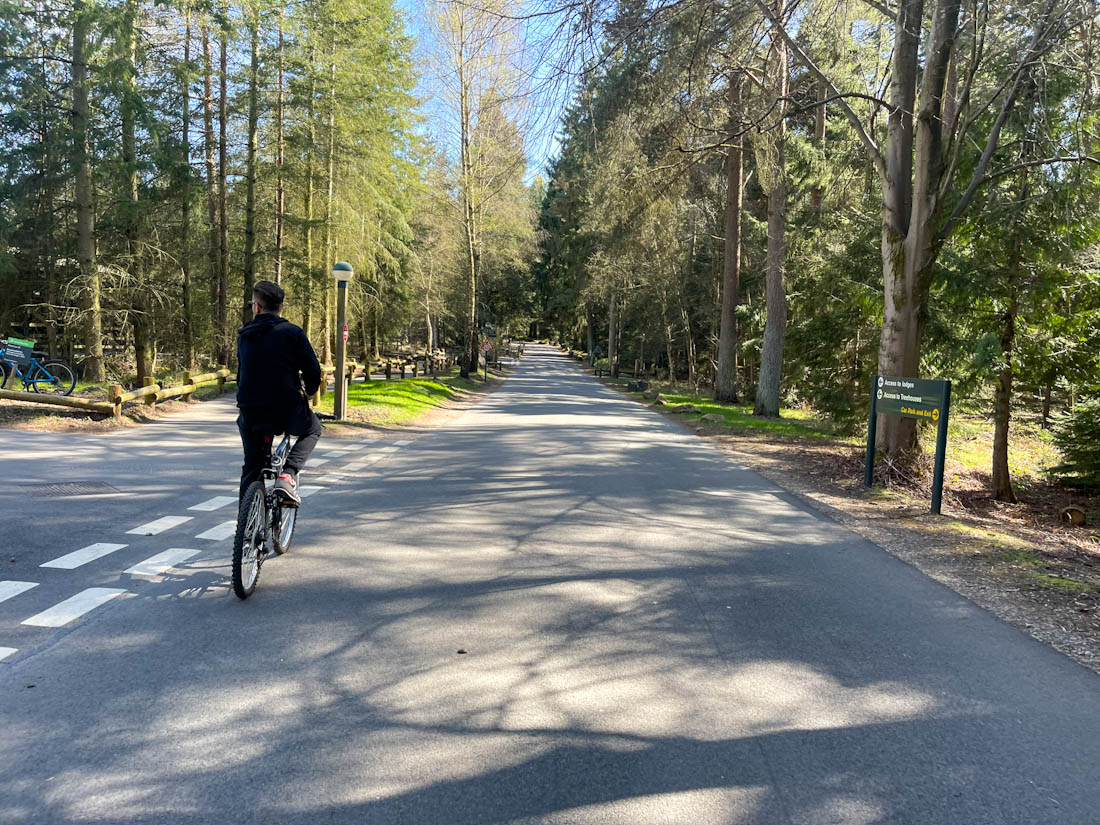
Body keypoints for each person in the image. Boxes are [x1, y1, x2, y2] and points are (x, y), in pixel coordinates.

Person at [236, 280, 322, 504]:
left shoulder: (244, 335)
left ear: (256, 307)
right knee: (313, 429)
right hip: (286, 407)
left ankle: (245, 528)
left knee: (252, 468)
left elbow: (243, 372)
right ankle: (287, 474)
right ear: (280, 307)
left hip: (250, 409)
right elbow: (313, 371)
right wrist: (310, 393)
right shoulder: (292, 333)